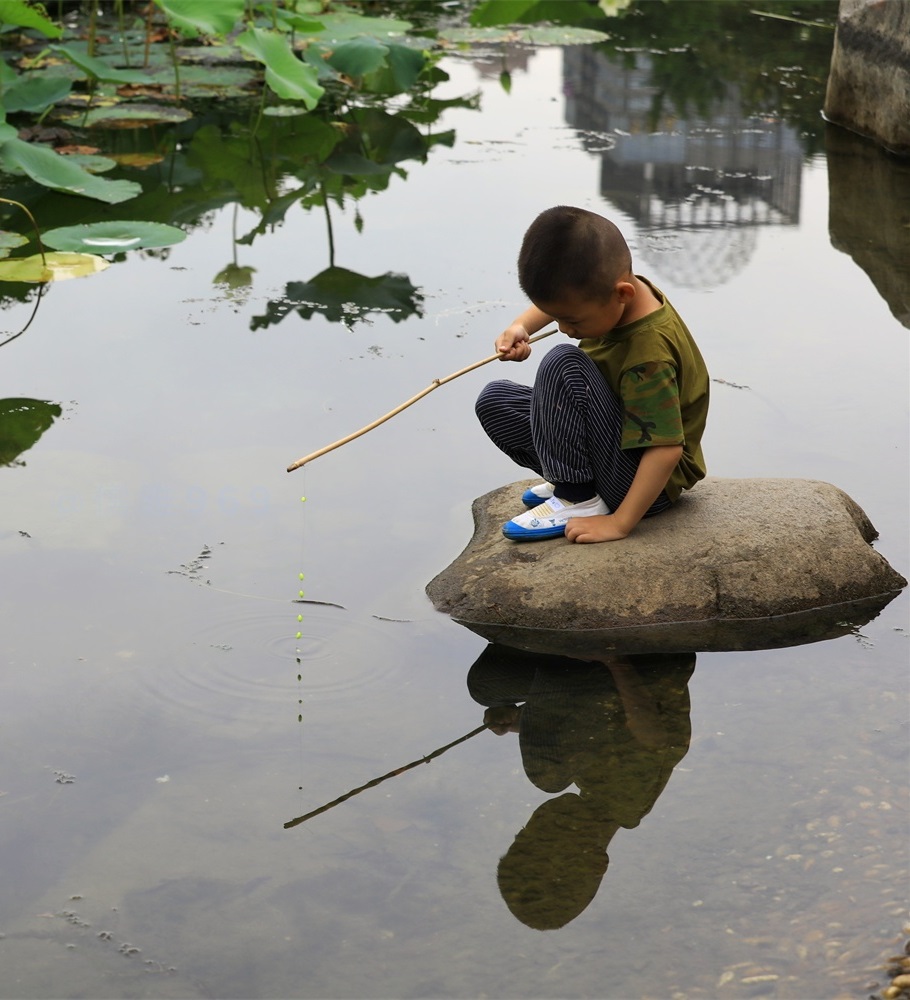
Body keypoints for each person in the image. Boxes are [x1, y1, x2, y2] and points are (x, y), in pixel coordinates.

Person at [475, 205, 709, 542]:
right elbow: (564, 298)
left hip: (646, 483)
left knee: (563, 364)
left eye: (573, 320)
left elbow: (666, 449)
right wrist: (520, 326)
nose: (564, 328)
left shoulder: (648, 354)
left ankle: (578, 499)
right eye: (556, 316)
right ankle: (578, 484)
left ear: (622, 294)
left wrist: (620, 524)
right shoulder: (615, 290)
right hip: (613, 449)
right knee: (495, 401)